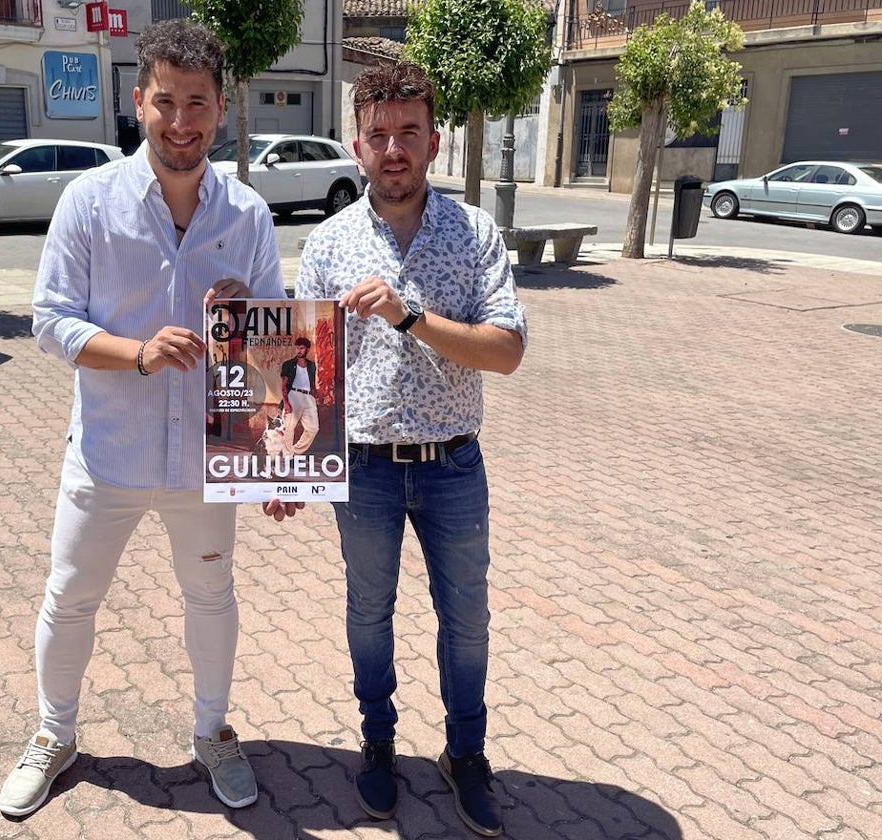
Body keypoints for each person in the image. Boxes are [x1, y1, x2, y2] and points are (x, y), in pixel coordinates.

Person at [1, 18, 299, 818]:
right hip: (107, 454)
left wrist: (274, 448)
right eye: (165, 101)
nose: (180, 120)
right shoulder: (88, 203)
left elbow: (277, 343)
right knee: (69, 598)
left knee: (212, 597)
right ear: (138, 102)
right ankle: (54, 735)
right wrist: (136, 352)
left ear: (222, 108)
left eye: (196, 102)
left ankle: (212, 734)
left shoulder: (247, 215)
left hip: (206, 459)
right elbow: (50, 320)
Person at [294, 62, 527, 837]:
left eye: (408, 133)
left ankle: (466, 754)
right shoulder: (327, 244)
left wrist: (411, 316)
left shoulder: (474, 233)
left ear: (434, 141)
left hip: (454, 464)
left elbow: (506, 351)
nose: (393, 148)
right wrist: (286, 463)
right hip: (361, 468)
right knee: (369, 613)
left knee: (467, 621)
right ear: (357, 146)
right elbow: (303, 366)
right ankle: (379, 743)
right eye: (378, 135)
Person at [279, 336, 319, 456]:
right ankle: (288, 456)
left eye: (302, 348)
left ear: (307, 349)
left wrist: (315, 396)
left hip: (308, 397)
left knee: (313, 428)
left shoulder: (312, 365)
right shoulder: (289, 364)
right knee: (289, 427)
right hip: (294, 396)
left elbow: (312, 383)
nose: (299, 351)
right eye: (297, 348)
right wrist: (286, 403)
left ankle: (295, 451)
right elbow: (284, 385)